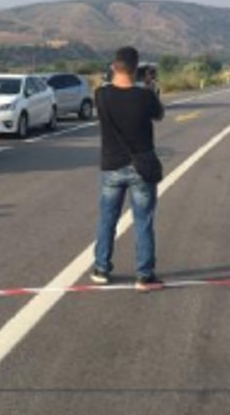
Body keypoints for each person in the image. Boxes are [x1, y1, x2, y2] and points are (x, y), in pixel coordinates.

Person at [92, 46, 165, 291]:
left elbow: (107, 86)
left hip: (111, 166)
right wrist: (149, 87)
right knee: (143, 222)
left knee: (107, 219)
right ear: (136, 69)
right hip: (141, 167)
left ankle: (101, 268)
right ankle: (144, 275)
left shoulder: (101, 95)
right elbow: (159, 114)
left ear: (114, 66)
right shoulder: (145, 96)